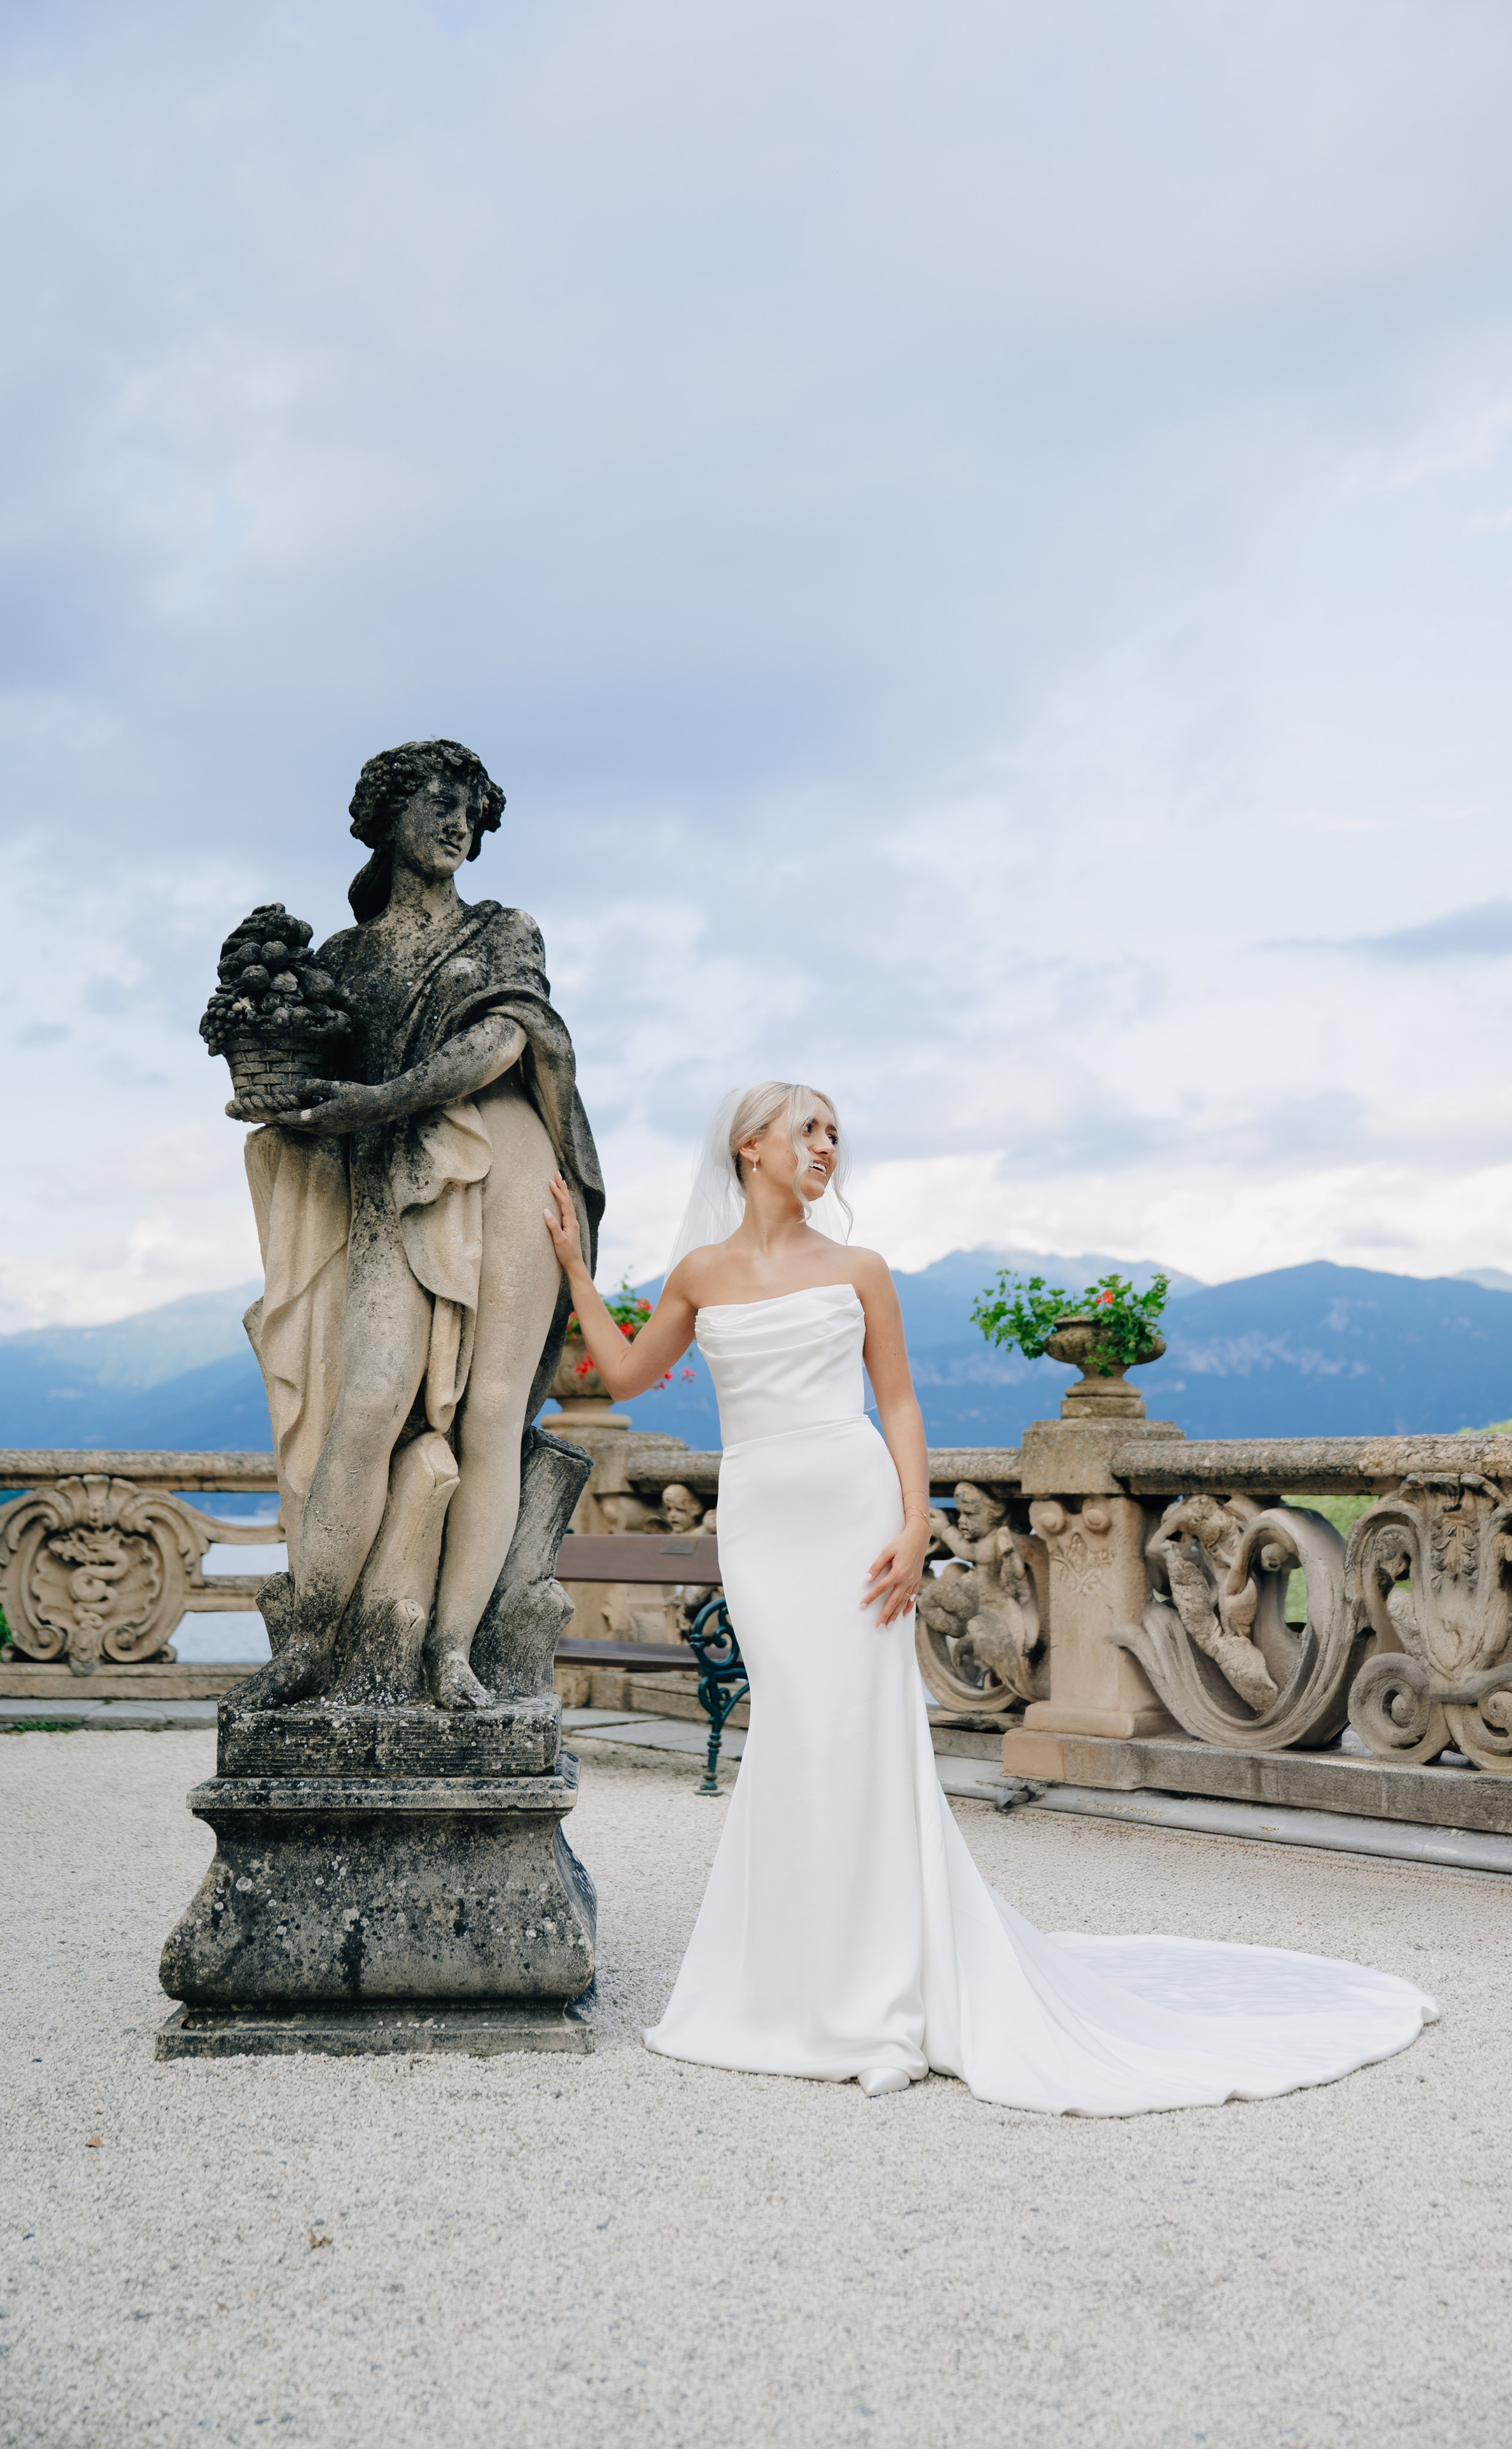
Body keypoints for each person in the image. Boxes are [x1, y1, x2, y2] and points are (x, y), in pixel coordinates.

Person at [542, 1081, 1438, 2115]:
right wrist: (574, 1265)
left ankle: (876, 1995)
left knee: (861, 1733)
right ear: (752, 1147)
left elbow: (899, 1401)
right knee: (795, 1727)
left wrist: (916, 1523)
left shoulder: (860, 1270)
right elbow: (621, 1370)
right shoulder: (699, 1274)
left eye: (837, 1132)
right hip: (759, 1525)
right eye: (809, 1130)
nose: (828, 1146)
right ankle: (781, 1983)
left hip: (851, 1510)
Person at [232, 738, 603, 1713]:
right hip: (391, 1175)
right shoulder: (342, 962)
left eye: (472, 811)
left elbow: (505, 1039)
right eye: (438, 803)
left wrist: (379, 1097)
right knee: (369, 1403)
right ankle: (311, 1637)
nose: (457, 824)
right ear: (386, 816)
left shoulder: (504, 930)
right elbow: (303, 1081)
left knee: (489, 1421)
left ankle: (450, 1649)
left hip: (511, 1166)